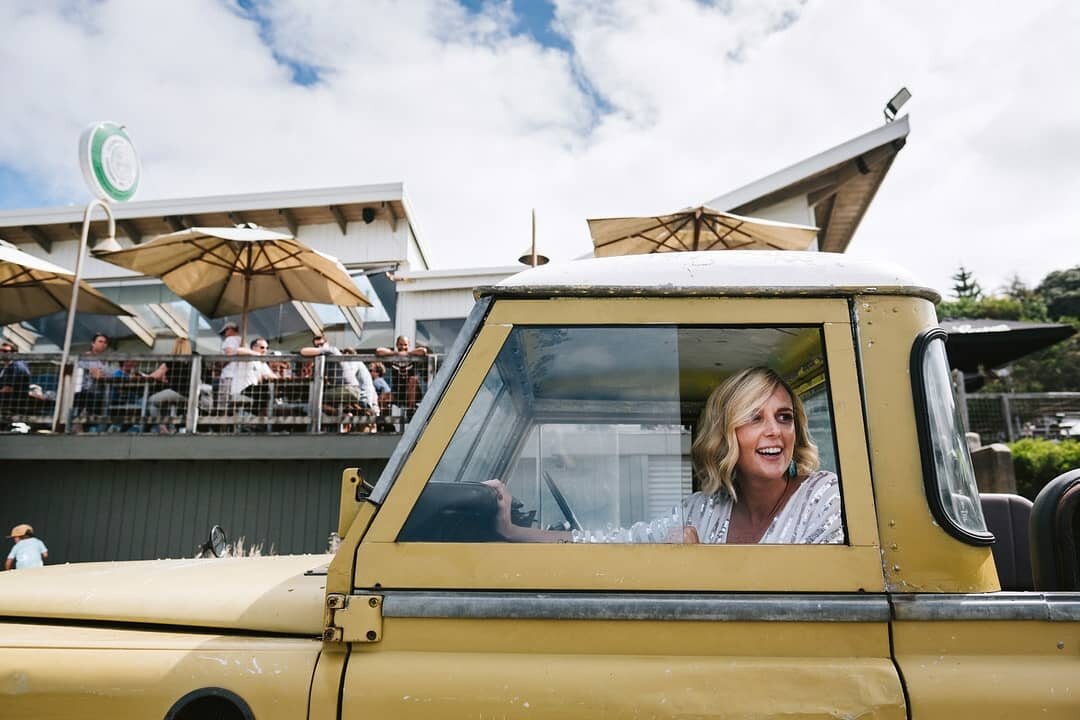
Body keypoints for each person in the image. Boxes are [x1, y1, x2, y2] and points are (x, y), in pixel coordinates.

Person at [487, 366, 843, 545]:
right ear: (725, 433)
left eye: (784, 417)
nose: (775, 431)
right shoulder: (702, 509)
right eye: (754, 418)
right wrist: (512, 530)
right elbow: (615, 543)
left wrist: (697, 567)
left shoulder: (825, 497)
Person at [375, 335, 428, 415]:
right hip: (397, 393)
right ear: (396, 345)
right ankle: (386, 423)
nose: (403, 347)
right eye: (400, 344)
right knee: (382, 398)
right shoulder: (392, 358)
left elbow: (423, 351)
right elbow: (378, 351)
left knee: (413, 379)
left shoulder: (412, 356)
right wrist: (396, 353)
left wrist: (407, 353)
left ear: (409, 345)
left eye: (405, 344)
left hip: (411, 393)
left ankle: (411, 411)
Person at [72, 333, 112, 432]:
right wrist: (100, 374)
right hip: (85, 391)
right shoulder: (86, 357)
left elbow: (108, 376)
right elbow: (97, 375)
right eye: (100, 341)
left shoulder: (104, 361)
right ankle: (78, 424)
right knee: (87, 399)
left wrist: (101, 374)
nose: (103, 344)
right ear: (93, 344)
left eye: (105, 342)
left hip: (100, 393)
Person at [0, 342, 32, 417]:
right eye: (0, 350)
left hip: (11, 405)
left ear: (14, 353)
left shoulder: (16, 366)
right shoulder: (6, 367)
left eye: (5, 351)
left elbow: (8, 389)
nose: (1, 353)